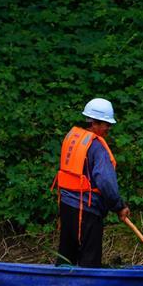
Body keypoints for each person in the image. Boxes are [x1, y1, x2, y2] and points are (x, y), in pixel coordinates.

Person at [51, 98, 129, 267]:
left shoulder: (73, 137)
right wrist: (119, 206)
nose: (109, 128)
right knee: (89, 259)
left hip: (67, 206)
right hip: (87, 211)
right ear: (94, 123)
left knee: (66, 255)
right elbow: (106, 182)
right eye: (106, 124)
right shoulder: (97, 147)